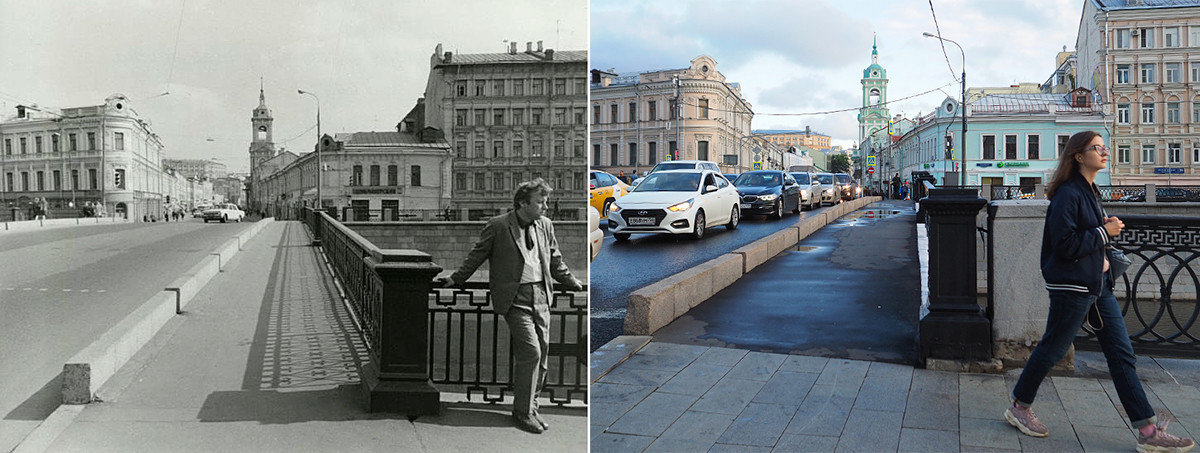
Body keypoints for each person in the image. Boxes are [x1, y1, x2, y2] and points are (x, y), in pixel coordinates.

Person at [1004, 131, 1194, 452]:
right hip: (1074, 287)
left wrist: (1099, 228)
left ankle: (1148, 432)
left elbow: (1084, 235)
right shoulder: (1068, 194)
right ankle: (1019, 407)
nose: (1104, 152)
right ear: (1078, 156)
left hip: (1097, 284)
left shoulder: (1089, 191)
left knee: (1121, 355)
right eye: (1097, 148)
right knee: (1052, 349)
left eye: (1104, 148)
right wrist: (1104, 231)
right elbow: (1065, 245)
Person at [440, 178, 583, 434]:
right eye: (540, 202)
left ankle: (531, 406)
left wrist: (572, 281)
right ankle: (522, 412)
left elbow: (554, 259)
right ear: (522, 203)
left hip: (541, 295)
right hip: (514, 298)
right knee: (532, 352)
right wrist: (456, 279)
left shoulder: (545, 225)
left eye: (545, 201)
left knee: (543, 357)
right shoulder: (498, 226)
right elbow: (477, 254)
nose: (545, 207)